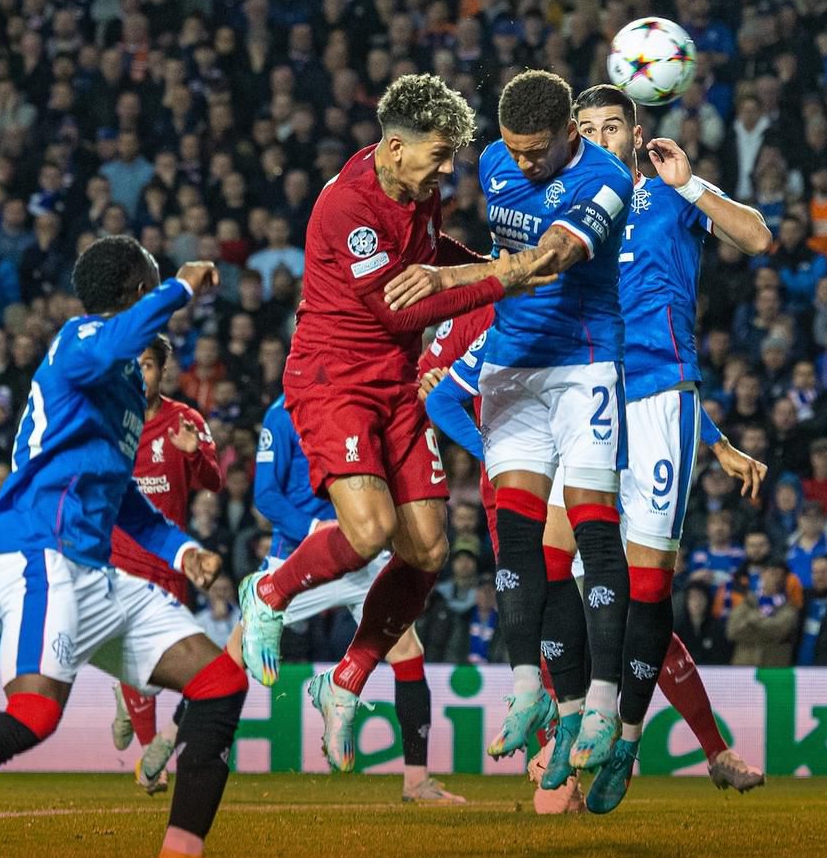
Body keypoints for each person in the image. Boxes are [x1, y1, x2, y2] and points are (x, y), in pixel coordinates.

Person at [426, 82, 769, 810]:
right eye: (590, 127)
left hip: (661, 397)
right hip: (591, 385)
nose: (604, 136)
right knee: (552, 565)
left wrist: (693, 182)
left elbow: (759, 238)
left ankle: (627, 736)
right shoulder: (561, 196)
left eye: (617, 125)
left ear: (636, 132)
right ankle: (574, 714)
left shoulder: (663, 198)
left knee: (646, 587)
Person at [238, 74, 552, 773]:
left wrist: (480, 267)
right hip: (334, 380)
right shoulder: (349, 207)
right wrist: (504, 277)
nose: (448, 170)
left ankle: (344, 681)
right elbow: (400, 310)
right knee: (371, 531)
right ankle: (268, 593)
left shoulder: (418, 190)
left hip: (396, 383)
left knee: (428, 549)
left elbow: (430, 262)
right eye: (439, 156)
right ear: (393, 148)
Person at [0, 237, 249, 858]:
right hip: (41, 551)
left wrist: (182, 550)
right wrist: (179, 288)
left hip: (100, 570)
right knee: (33, 716)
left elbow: (128, 508)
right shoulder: (78, 341)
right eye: (151, 281)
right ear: (136, 288)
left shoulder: (118, 385)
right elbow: (117, 340)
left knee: (220, 683)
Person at [254, 394, 464, 803]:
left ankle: (416, 781)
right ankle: (176, 736)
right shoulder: (281, 413)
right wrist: (314, 526)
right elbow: (266, 495)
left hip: (364, 550)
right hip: (300, 552)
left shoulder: (368, 399)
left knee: (406, 647)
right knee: (236, 648)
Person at [107, 334, 222, 795]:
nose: (140, 374)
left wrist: (194, 456)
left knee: (169, 667)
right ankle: (152, 756)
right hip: (118, 560)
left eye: (149, 366)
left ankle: (126, 695)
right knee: (140, 658)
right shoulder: (110, 422)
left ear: (162, 371)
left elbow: (214, 480)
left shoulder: (186, 420)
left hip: (171, 562)